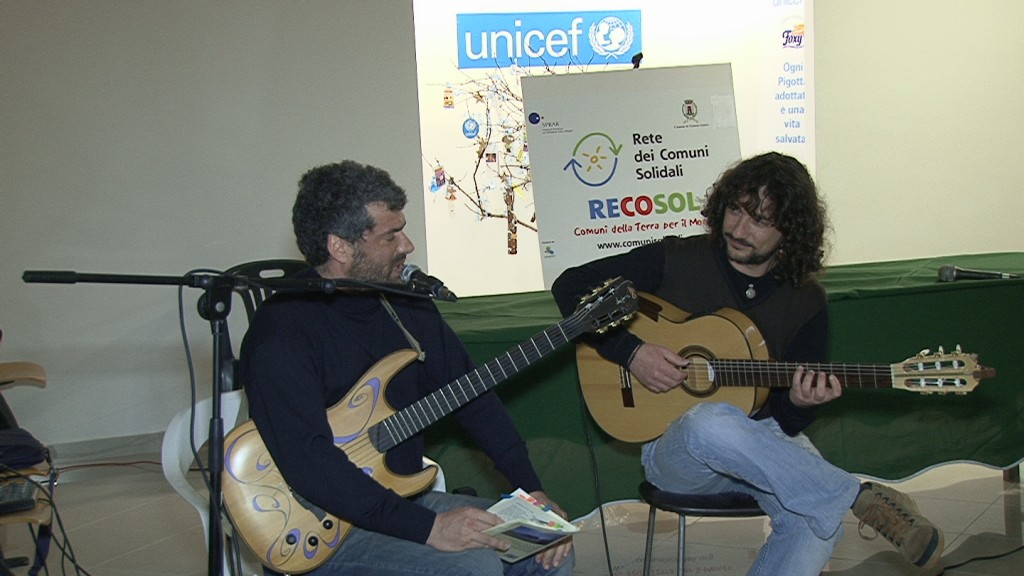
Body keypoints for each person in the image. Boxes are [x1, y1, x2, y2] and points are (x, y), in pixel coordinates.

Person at [550, 152, 943, 575]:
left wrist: (800, 403)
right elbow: (569, 287)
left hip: (763, 443)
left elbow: (786, 424)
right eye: (736, 210)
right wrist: (632, 352)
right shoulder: (679, 259)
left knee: (815, 526)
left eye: (760, 220)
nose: (738, 229)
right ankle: (856, 497)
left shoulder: (806, 302)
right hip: (678, 453)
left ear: (789, 232)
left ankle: (841, 498)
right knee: (709, 420)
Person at [240, 160, 574, 576]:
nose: (408, 245)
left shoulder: (406, 306)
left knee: (546, 548)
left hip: (401, 500)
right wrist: (430, 529)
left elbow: (474, 397)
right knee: (474, 569)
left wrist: (532, 491)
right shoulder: (283, 331)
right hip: (319, 524)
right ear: (340, 247)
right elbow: (310, 463)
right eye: (390, 235)